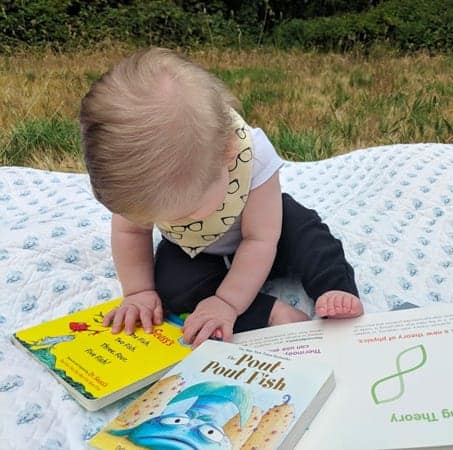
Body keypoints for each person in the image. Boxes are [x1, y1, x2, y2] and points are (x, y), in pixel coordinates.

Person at [79, 47, 363, 348]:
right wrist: (138, 292)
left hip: (265, 233)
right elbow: (129, 230)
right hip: (196, 251)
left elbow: (259, 240)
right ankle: (266, 312)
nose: (176, 222)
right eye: (158, 217)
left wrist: (228, 301)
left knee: (309, 235)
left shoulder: (253, 155)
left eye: (186, 212)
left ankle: (334, 289)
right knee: (171, 288)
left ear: (227, 155)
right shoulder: (138, 179)